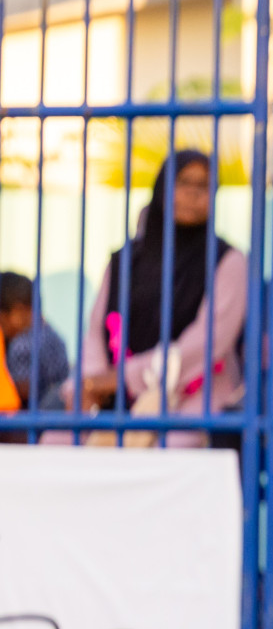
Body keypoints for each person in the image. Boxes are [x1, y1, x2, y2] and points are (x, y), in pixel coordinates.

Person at [61, 150, 248, 442]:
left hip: (194, 394)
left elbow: (208, 342)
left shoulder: (228, 261)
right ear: (163, 188)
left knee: (174, 447)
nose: (193, 194)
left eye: (205, 187)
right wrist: (92, 381)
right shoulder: (125, 260)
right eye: (184, 183)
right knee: (57, 440)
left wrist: (124, 378)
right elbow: (97, 329)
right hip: (115, 397)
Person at [0, 271, 70, 407]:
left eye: (2, 319)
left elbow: (25, 389)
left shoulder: (22, 343)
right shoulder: (53, 335)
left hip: (35, 417)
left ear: (18, 312)